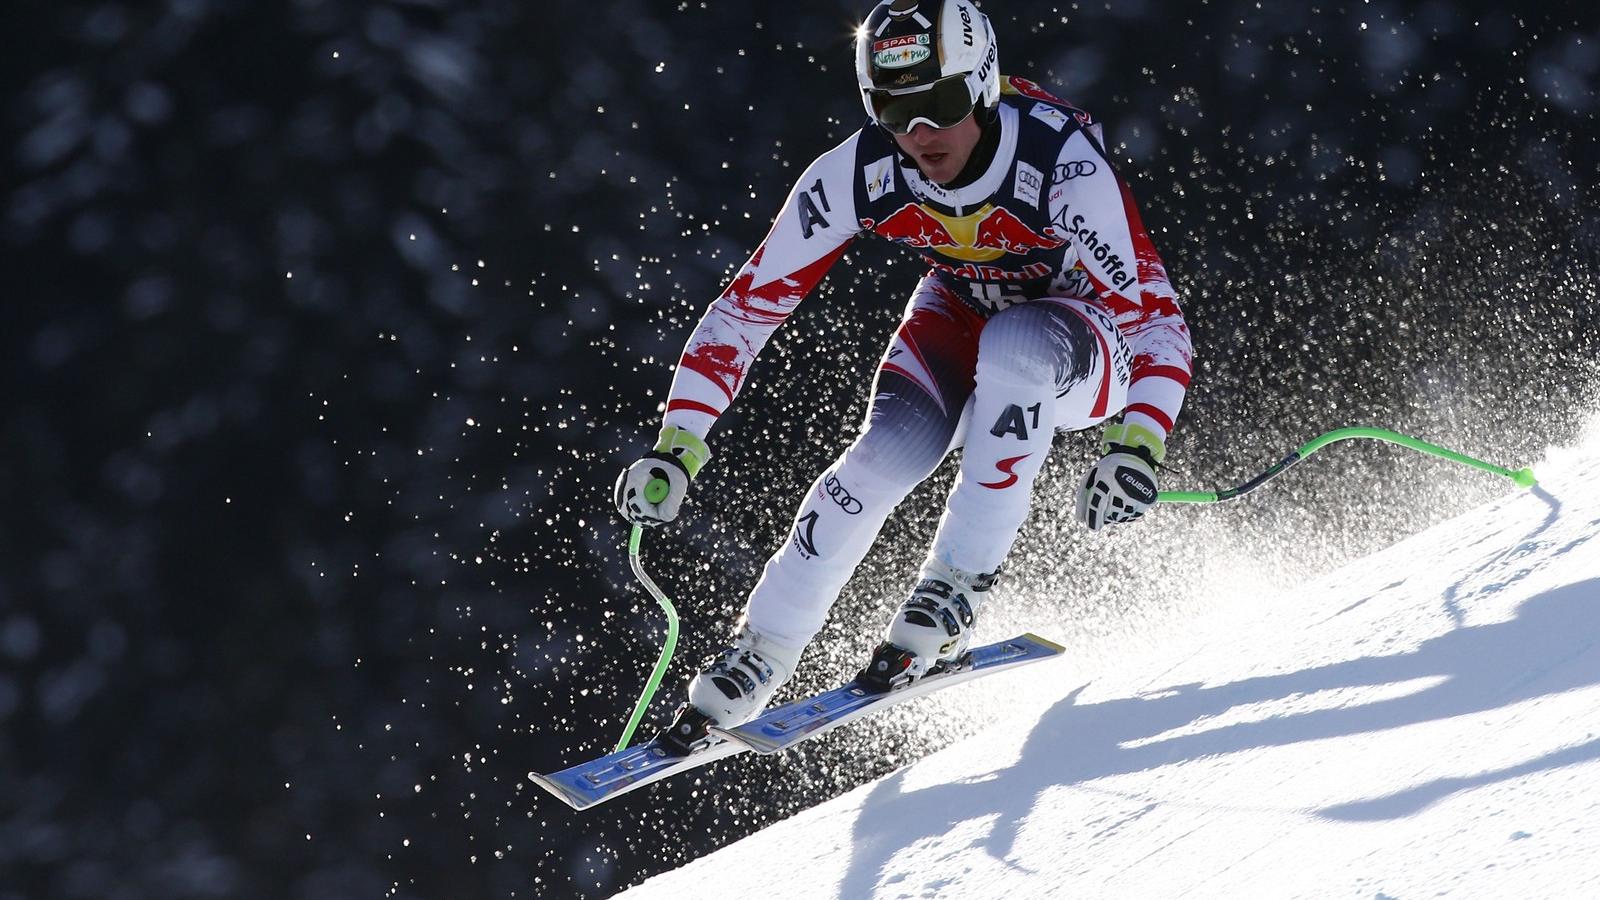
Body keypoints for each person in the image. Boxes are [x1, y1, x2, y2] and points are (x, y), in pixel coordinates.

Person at [615, 0, 1192, 752]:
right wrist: (678, 442)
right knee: (884, 452)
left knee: (1016, 347)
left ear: (983, 88)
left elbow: (1157, 321)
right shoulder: (860, 172)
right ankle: (762, 649)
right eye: (895, 110)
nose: (921, 134)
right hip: (958, 309)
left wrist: (1138, 440)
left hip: (1085, 332)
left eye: (942, 105)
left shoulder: (1063, 166)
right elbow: (747, 308)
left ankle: (955, 587)